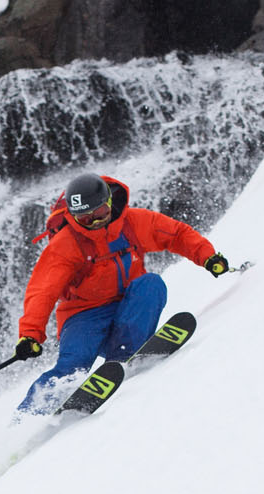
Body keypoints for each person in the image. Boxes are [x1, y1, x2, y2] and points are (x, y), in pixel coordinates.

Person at [14, 172, 228, 413]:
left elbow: (176, 234)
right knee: (72, 367)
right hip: (83, 315)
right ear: (74, 216)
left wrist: (207, 256)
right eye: (86, 219)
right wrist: (30, 335)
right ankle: (28, 419)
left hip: (128, 307)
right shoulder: (66, 244)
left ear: (109, 204)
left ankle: (123, 357)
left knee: (151, 284)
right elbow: (43, 290)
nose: (95, 223)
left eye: (100, 214)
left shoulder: (133, 223)